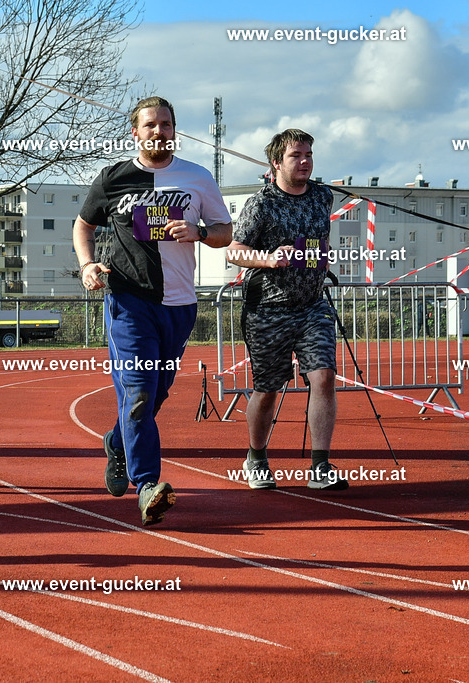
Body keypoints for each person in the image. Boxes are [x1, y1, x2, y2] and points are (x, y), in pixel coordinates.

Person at [73, 96, 233, 525]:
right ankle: (147, 486)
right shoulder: (114, 178)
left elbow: (224, 231)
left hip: (179, 306)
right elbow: (83, 224)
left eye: (166, 124)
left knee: (155, 394)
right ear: (135, 132)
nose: (158, 132)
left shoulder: (197, 178)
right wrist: (88, 265)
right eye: (150, 125)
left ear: (174, 130)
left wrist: (199, 231)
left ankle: (117, 443)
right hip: (129, 303)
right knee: (140, 390)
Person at [226, 128, 347, 491]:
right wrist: (267, 258)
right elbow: (234, 251)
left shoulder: (323, 196)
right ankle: (256, 457)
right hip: (268, 310)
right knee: (267, 389)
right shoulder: (260, 203)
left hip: (312, 306)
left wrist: (321, 260)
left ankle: (320, 467)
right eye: (296, 155)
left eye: (309, 154)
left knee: (323, 377)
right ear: (276, 163)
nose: (305, 161)